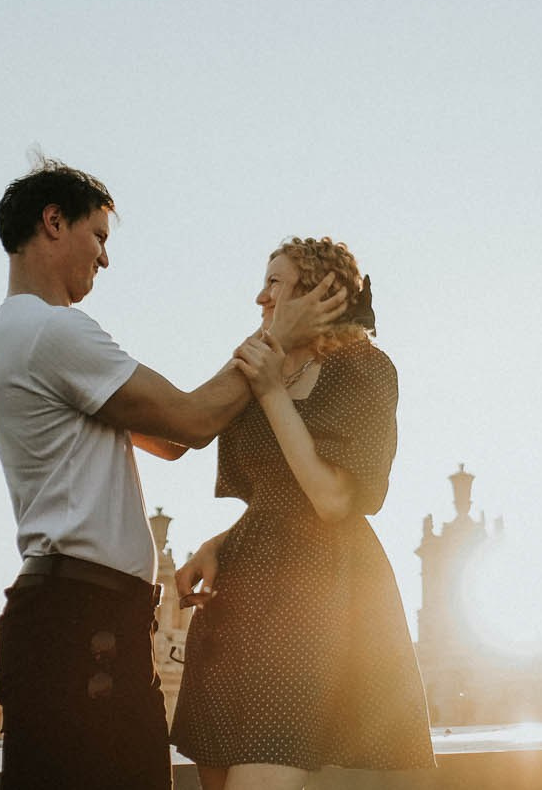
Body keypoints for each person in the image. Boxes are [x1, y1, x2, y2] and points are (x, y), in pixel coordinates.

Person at [0, 160, 345, 790]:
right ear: (52, 222)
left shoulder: (20, 333)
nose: (104, 260)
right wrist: (273, 338)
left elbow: (172, 439)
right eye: (98, 237)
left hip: (90, 622)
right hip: (82, 623)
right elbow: (193, 420)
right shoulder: (51, 330)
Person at [170, 237, 434, 789]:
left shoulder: (364, 369)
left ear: (316, 293)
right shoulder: (260, 361)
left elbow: (332, 500)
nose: (259, 297)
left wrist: (269, 391)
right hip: (237, 600)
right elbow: (269, 493)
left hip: (315, 601)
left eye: (274, 282)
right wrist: (218, 543)